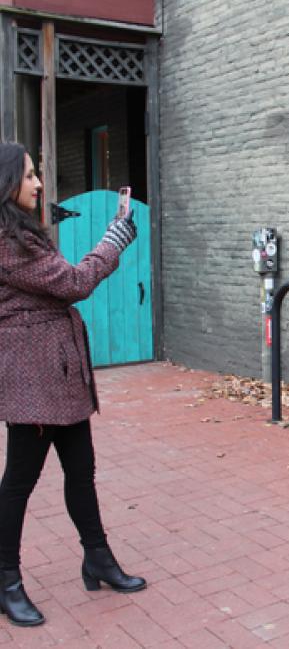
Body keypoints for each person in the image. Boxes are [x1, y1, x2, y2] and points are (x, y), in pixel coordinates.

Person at [0, 143, 146, 627]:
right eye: (29, 177)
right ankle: (5, 580)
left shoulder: (21, 233)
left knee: (81, 471)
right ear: (6, 184)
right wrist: (114, 239)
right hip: (33, 378)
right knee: (19, 482)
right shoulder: (6, 241)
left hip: (58, 373)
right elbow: (74, 282)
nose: (38, 184)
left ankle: (97, 558)